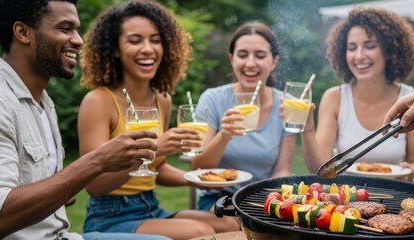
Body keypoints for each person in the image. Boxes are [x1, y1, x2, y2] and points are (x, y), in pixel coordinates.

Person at [0, 0, 172, 240]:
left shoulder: (43, 103)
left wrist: (60, 191)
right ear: (23, 32)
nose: (78, 40)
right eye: (65, 28)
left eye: (76, 29)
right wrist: (96, 162)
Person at [78, 1, 239, 239]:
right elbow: (94, 185)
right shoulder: (99, 101)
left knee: (231, 224)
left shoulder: (161, 100)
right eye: (135, 41)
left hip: (150, 207)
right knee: (201, 232)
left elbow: (157, 168)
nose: (148, 49)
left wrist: (196, 180)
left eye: (155, 40)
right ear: (115, 48)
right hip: (109, 216)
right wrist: (151, 151)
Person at [191, 21, 296, 211]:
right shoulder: (213, 99)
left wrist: (267, 204)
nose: (250, 63)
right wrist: (223, 136)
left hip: (262, 198)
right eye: (242, 55)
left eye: (260, 55)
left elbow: (282, 170)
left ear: (274, 61)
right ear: (232, 59)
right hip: (217, 199)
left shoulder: (287, 104)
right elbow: (198, 167)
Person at [297, 7, 414, 174]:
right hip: (346, 197)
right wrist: (307, 129)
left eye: (369, 46)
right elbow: (321, 170)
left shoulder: (409, 99)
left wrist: (409, 170)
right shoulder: (334, 98)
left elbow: (413, 161)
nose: (358, 56)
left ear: (389, 51)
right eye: (352, 48)